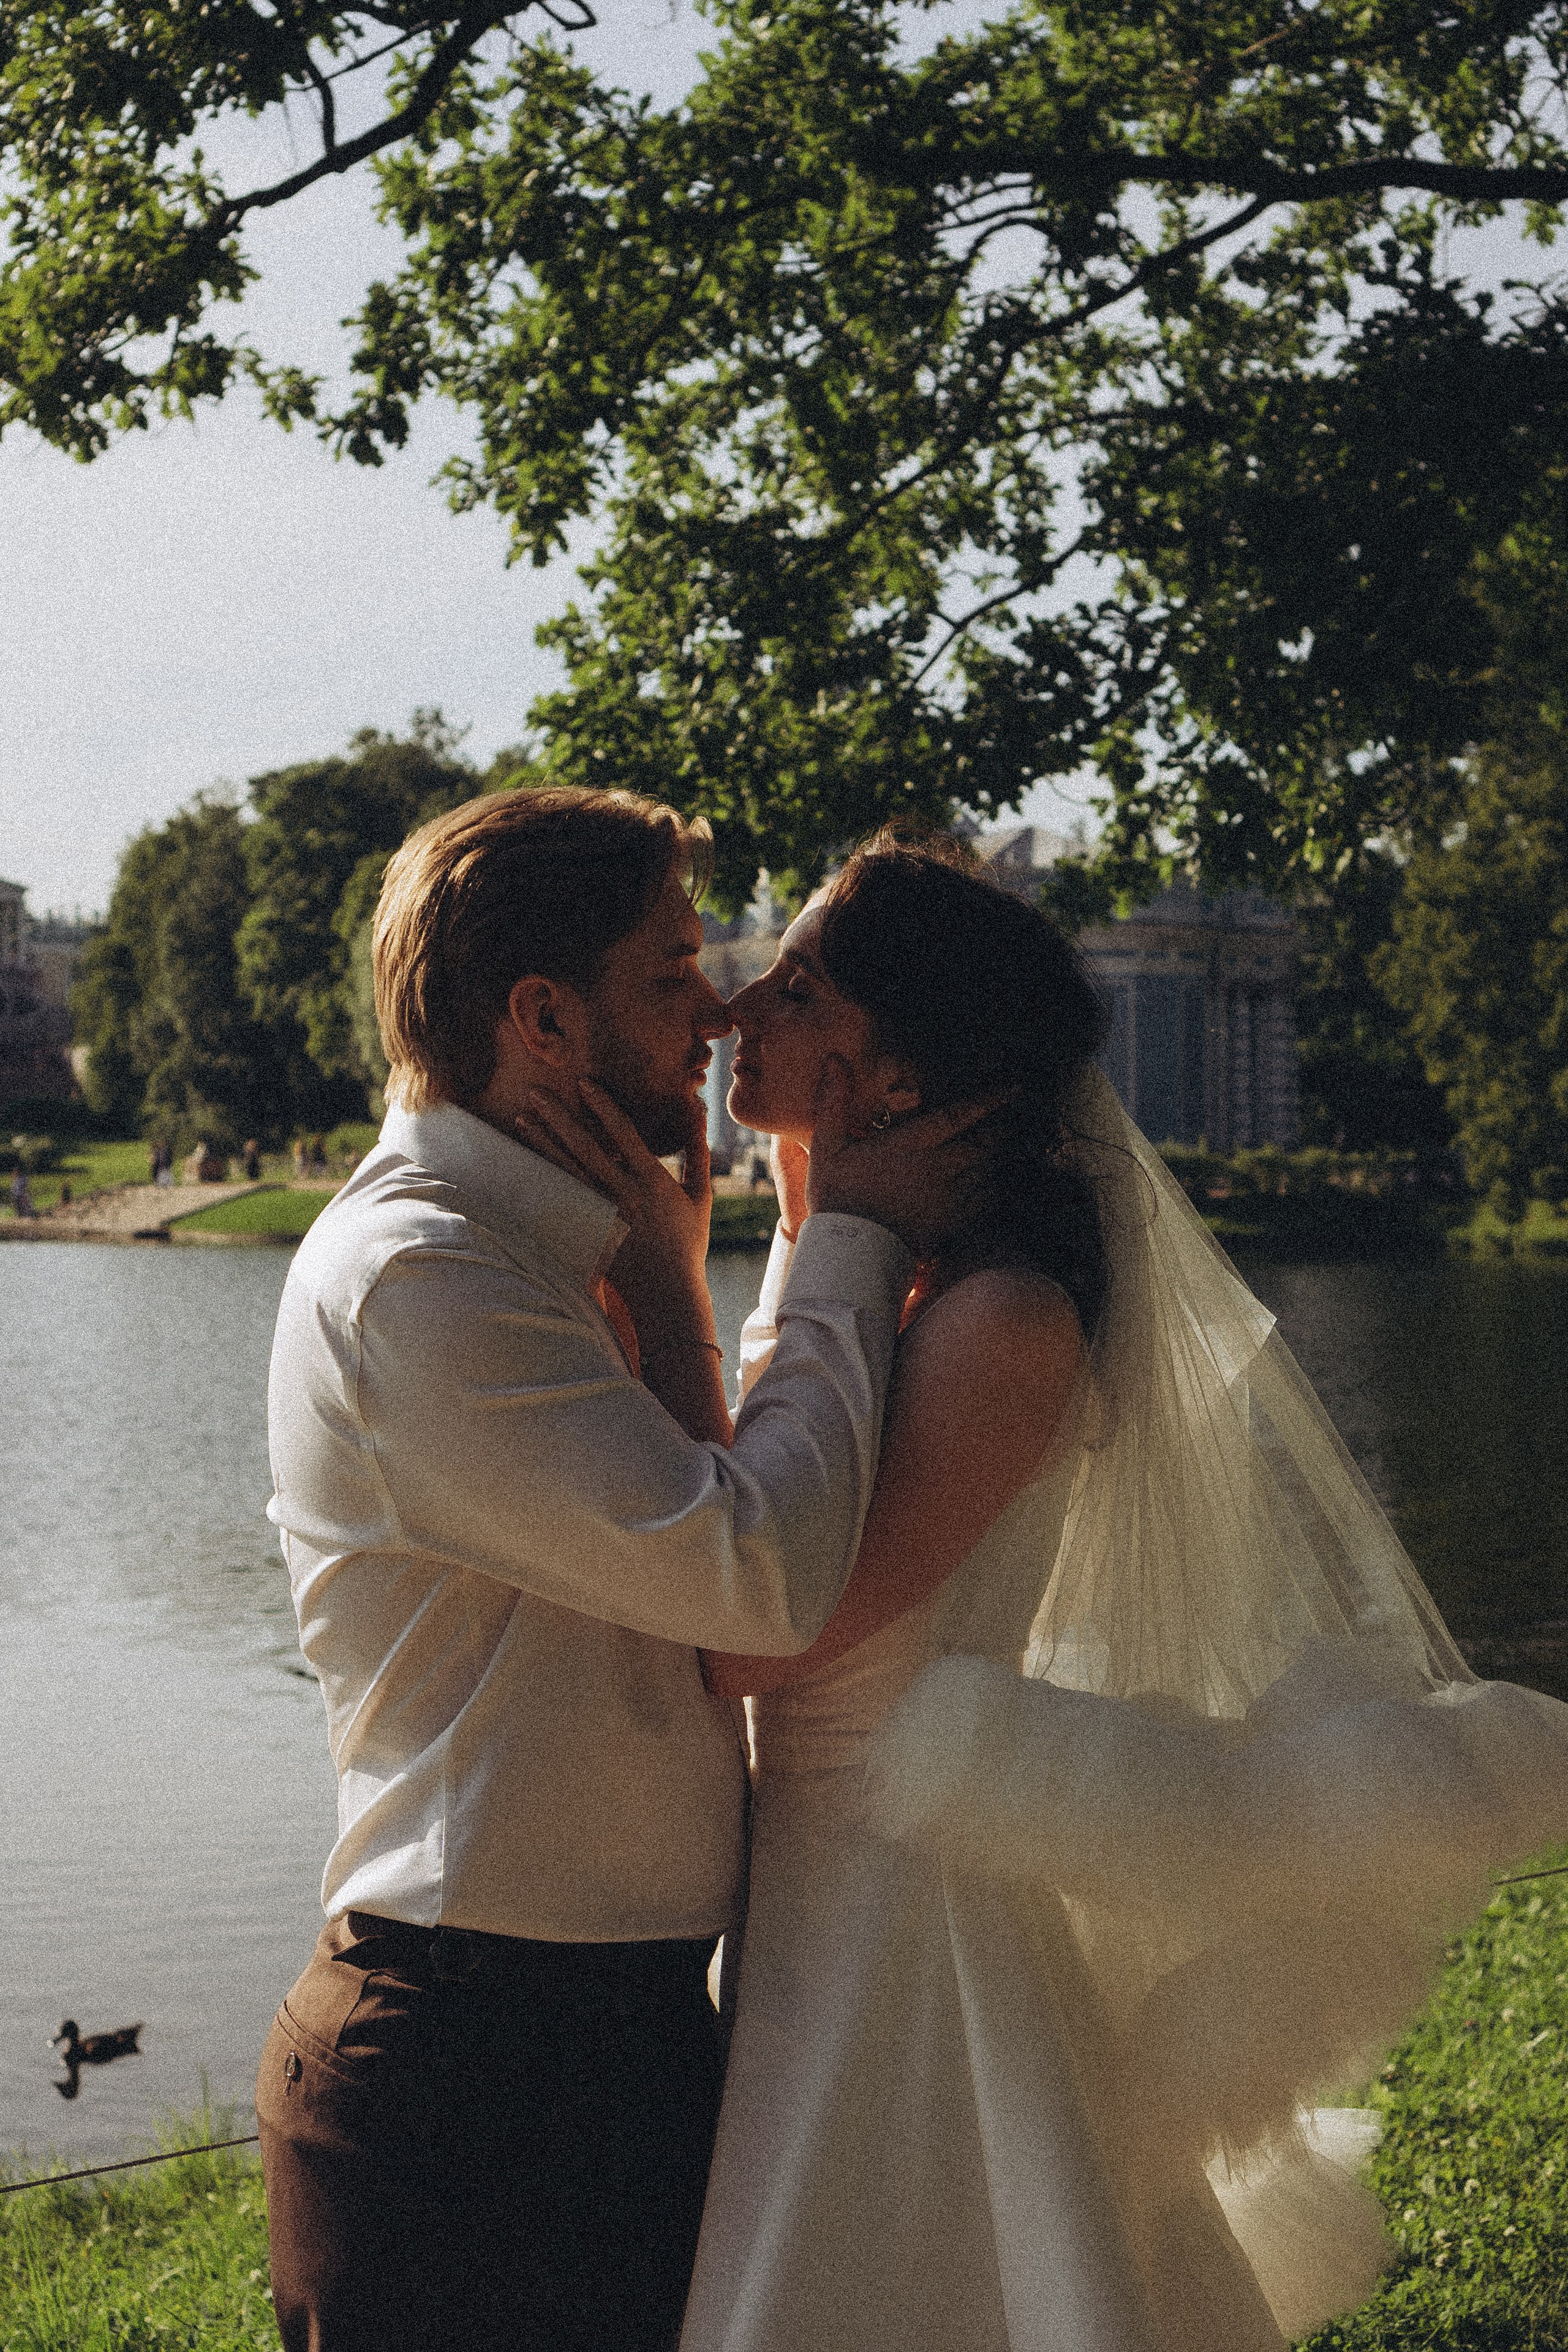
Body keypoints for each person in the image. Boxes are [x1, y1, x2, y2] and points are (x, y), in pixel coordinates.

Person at [646, 829, 1568, 2352]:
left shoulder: (1000, 1318)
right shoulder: (883, 1274)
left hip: (906, 1902)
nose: (742, 1008)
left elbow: (767, 1636)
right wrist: (808, 1230)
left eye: (799, 984)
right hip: (815, 1881)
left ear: (895, 1072)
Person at [255, 787, 989, 2352]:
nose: (720, 1005)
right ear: (541, 1018)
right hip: (469, 2074)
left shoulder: (538, 1250)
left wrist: (669, 1284)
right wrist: (843, 1235)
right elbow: (757, 1579)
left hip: (607, 2036)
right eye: (670, 971)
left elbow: (706, 1529)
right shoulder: (425, 1280)